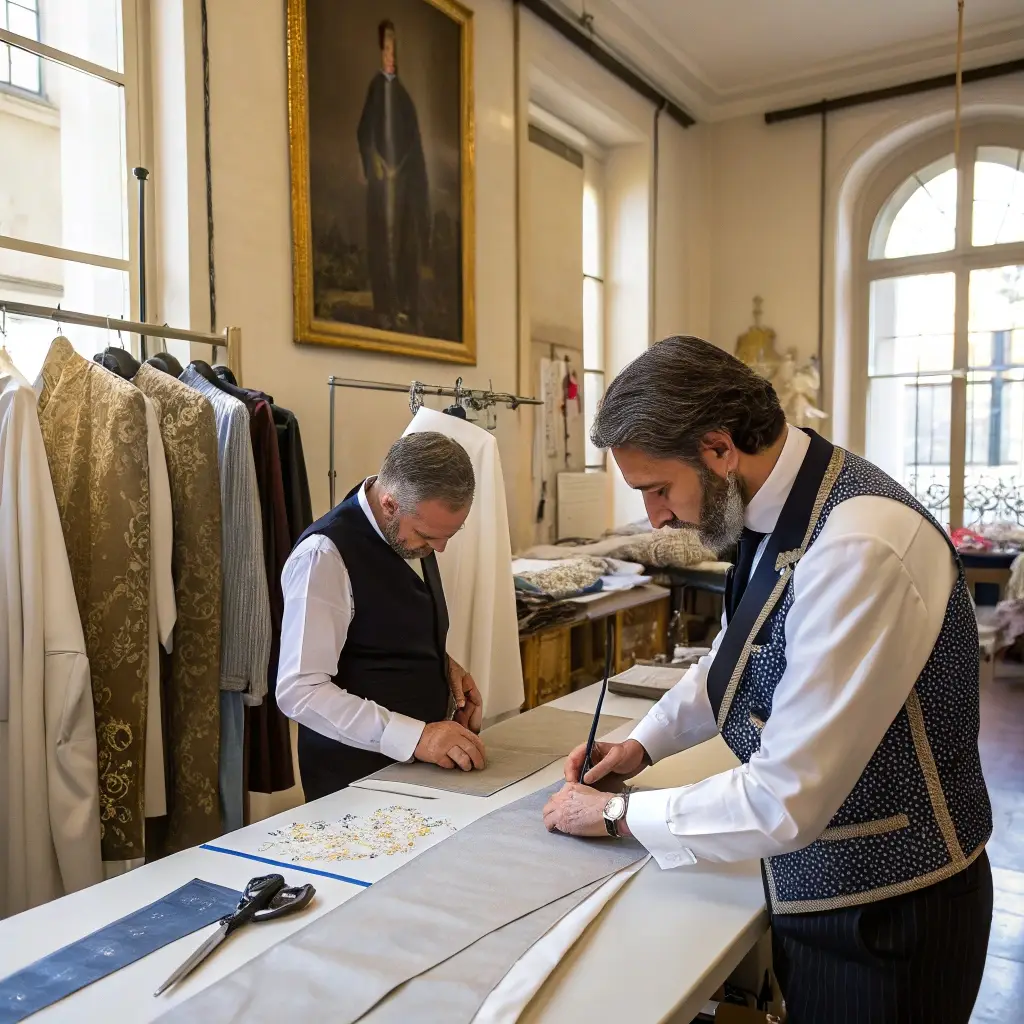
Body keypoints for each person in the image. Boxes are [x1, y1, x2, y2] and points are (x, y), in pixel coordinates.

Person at [543, 337, 993, 1023]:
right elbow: (736, 656)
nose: (658, 516)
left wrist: (616, 813)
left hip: (890, 917)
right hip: (823, 887)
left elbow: (786, 797)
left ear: (720, 449)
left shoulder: (857, 547)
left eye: (658, 489)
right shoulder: (778, 506)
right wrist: (641, 746)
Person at [277, 431, 485, 800]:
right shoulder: (323, 556)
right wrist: (419, 738)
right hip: (353, 782)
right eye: (428, 535)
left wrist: (439, 661)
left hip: (416, 775)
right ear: (390, 504)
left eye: (449, 534)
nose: (440, 548)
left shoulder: (406, 528)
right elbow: (299, 691)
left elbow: (374, 628)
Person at [357, 18, 430, 333]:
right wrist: (375, 161)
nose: (391, 53)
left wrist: (403, 170)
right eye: (387, 46)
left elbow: (414, 141)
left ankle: (402, 305)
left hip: (401, 186)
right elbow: (364, 132)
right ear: (380, 49)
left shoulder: (402, 95)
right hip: (382, 183)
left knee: (402, 243)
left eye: (394, 47)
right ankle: (384, 305)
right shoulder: (376, 88)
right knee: (381, 242)